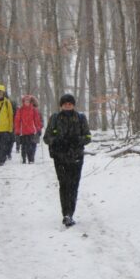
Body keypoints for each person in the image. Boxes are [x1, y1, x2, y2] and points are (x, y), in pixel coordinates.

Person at [44, 93, 92, 227]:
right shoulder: (54, 118)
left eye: (70, 104)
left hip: (76, 157)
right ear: (61, 106)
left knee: (74, 185)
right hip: (60, 157)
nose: (67, 106)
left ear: (73, 105)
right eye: (65, 104)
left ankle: (71, 212)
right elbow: (46, 137)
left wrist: (77, 140)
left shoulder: (81, 118)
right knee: (64, 185)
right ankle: (66, 214)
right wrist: (58, 141)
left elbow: (88, 137)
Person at [13, 94, 43, 164]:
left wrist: (38, 129)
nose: (27, 102)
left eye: (28, 101)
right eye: (25, 101)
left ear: (30, 102)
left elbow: (37, 120)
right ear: (23, 102)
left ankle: (31, 159)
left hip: (31, 131)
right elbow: (17, 121)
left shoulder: (33, 110)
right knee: (23, 146)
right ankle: (23, 158)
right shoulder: (20, 110)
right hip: (23, 132)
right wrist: (17, 131)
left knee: (31, 146)